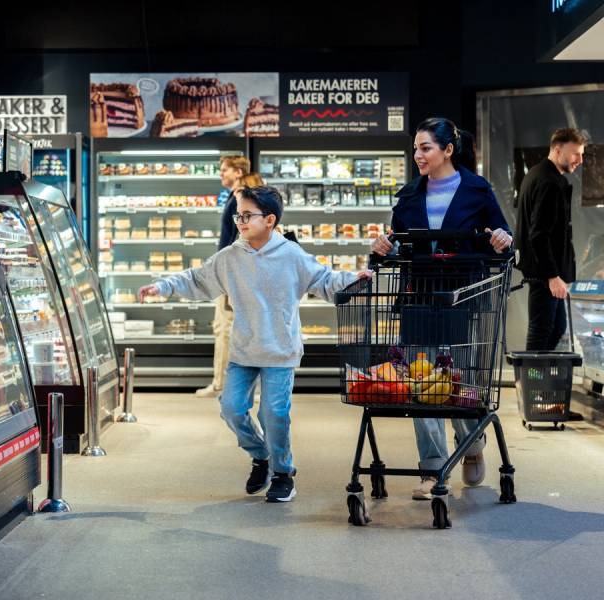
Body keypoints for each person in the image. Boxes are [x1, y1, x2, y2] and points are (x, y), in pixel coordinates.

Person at [140, 186, 370, 502]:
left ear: (270, 220)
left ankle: (282, 472)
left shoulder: (292, 255)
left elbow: (325, 281)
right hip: (244, 350)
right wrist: (162, 286)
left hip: (280, 349)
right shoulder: (231, 257)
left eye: (248, 215)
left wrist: (355, 279)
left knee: (274, 414)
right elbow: (198, 279)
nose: (240, 221)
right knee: (232, 409)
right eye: (239, 215)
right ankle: (261, 455)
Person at [372, 117, 512, 500]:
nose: (418, 155)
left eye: (426, 148)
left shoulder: (478, 192)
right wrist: (386, 247)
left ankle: (470, 442)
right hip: (418, 296)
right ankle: (433, 469)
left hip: (463, 297)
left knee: (457, 380)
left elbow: (502, 238)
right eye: (415, 148)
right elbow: (400, 243)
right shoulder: (409, 197)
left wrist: (502, 239)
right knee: (422, 383)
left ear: (448, 150)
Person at [515, 128, 587, 352]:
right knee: (542, 330)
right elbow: (538, 235)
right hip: (545, 275)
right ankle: (530, 384)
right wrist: (552, 276)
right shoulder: (549, 182)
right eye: (575, 153)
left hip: (546, 273)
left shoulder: (539, 174)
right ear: (558, 150)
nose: (580, 160)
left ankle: (537, 381)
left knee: (555, 328)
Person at [195, 155, 251, 398]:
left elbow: (241, 237)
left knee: (225, 328)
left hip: (231, 273)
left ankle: (222, 385)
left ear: (238, 172)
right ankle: (227, 384)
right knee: (229, 328)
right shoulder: (236, 196)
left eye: (224, 170)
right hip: (232, 271)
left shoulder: (241, 197)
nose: (221, 175)